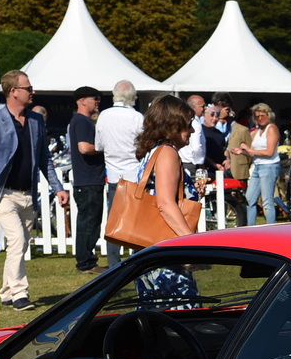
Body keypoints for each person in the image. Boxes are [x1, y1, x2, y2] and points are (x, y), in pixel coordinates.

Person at [0, 69, 67, 311]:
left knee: (22, 242)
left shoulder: (36, 121)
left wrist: (58, 188)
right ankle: (19, 293)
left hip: (28, 194)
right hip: (4, 195)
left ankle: (6, 291)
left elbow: (45, 158)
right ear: (13, 92)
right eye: (28, 88)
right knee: (16, 240)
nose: (32, 92)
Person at [134, 94, 202, 240]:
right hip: (166, 240)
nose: (192, 131)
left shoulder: (155, 150)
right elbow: (165, 203)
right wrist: (190, 240)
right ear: (173, 125)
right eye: (188, 125)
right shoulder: (167, 152)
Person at [95, 79, 143, 269]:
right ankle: (137, 259)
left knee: (114, 222)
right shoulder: (137, 118)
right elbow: (144, 146)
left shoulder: (104, 116)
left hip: (114, 175)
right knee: (136, 221)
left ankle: (114, 262)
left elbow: (98, 145)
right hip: (134, 174)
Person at [67, 85, 106, 274]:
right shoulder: (81, 121)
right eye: (94, 98)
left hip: (90, 179)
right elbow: (84, 148)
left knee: (91, 221)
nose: (97, 101)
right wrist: (104, 148)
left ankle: (87, 259)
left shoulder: (83, 121)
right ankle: (86, 262)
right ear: (82, 100)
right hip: (88, 179)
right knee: (88, 222)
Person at [232, 102, 280, 225]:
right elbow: (253, 153)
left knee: (267, 200)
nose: (260, 119)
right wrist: (242, 152)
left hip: (269, 166)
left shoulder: (272, 128)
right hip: (257, 166)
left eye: (262, 116)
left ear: (268, 115)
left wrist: (249, 150)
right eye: (257, 116)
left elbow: (269, 152)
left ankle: (271, 227)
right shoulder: (256, 132)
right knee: (249, 199)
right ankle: (250, 228)